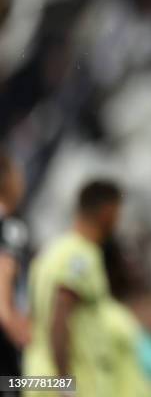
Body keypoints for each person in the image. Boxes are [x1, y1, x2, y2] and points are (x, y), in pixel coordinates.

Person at [24, 180, 122, 397]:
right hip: (71, 381)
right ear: (108, 211)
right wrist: (65, 386)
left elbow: (31, 318)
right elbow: (60, 317)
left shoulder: (50, 252)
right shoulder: (80, 255)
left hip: (39, 376)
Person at [0, 150, 29, 382]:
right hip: (7, 345)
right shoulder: (11, 226)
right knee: (64, 383)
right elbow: (5, 272)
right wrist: (13, 323)